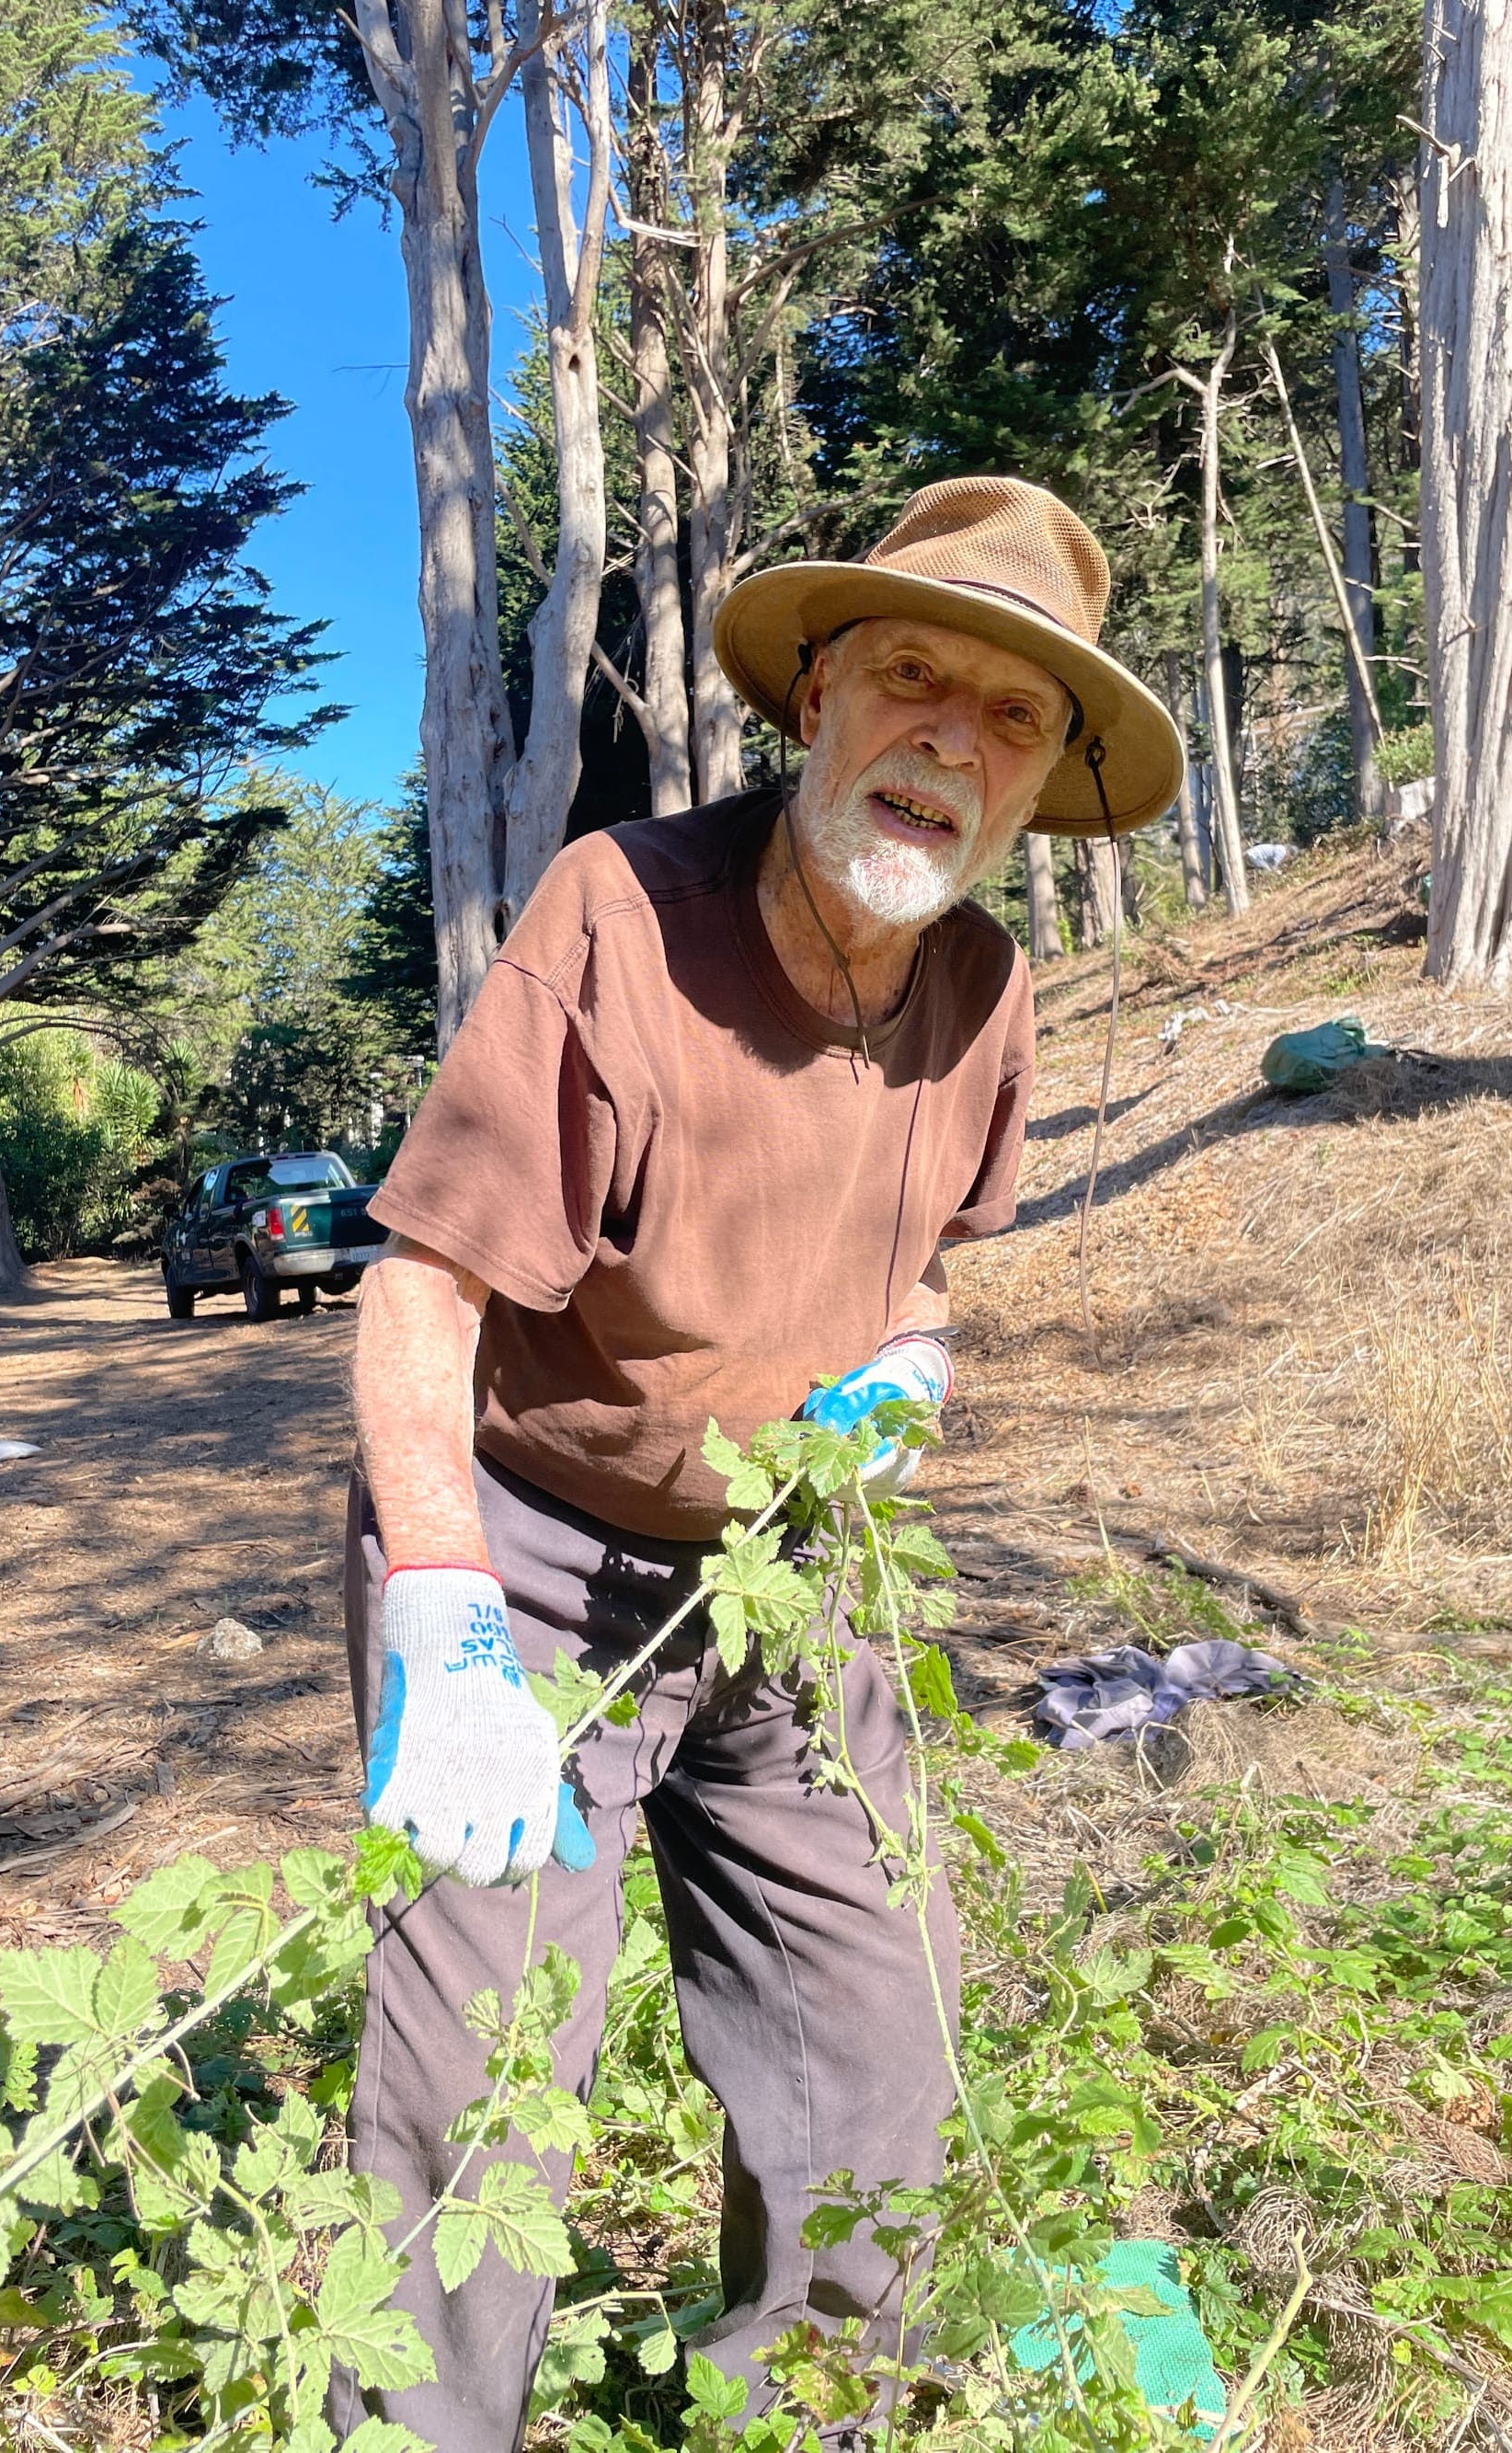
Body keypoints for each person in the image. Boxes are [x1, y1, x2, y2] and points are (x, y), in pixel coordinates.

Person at [333, 476, 1184, 2451]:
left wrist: (905, 1358)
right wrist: (443, 1610)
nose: (948, 745)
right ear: (815, 696)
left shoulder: (978, 985)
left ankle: (802, 2414)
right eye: (912, 678)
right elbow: (419, 1298)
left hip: (789, 1572)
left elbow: (917, 1264)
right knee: (481, 2076)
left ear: (1040, 780)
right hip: (531, 1558)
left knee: (872, 2046)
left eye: (1011, 718)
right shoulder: (620, 919)